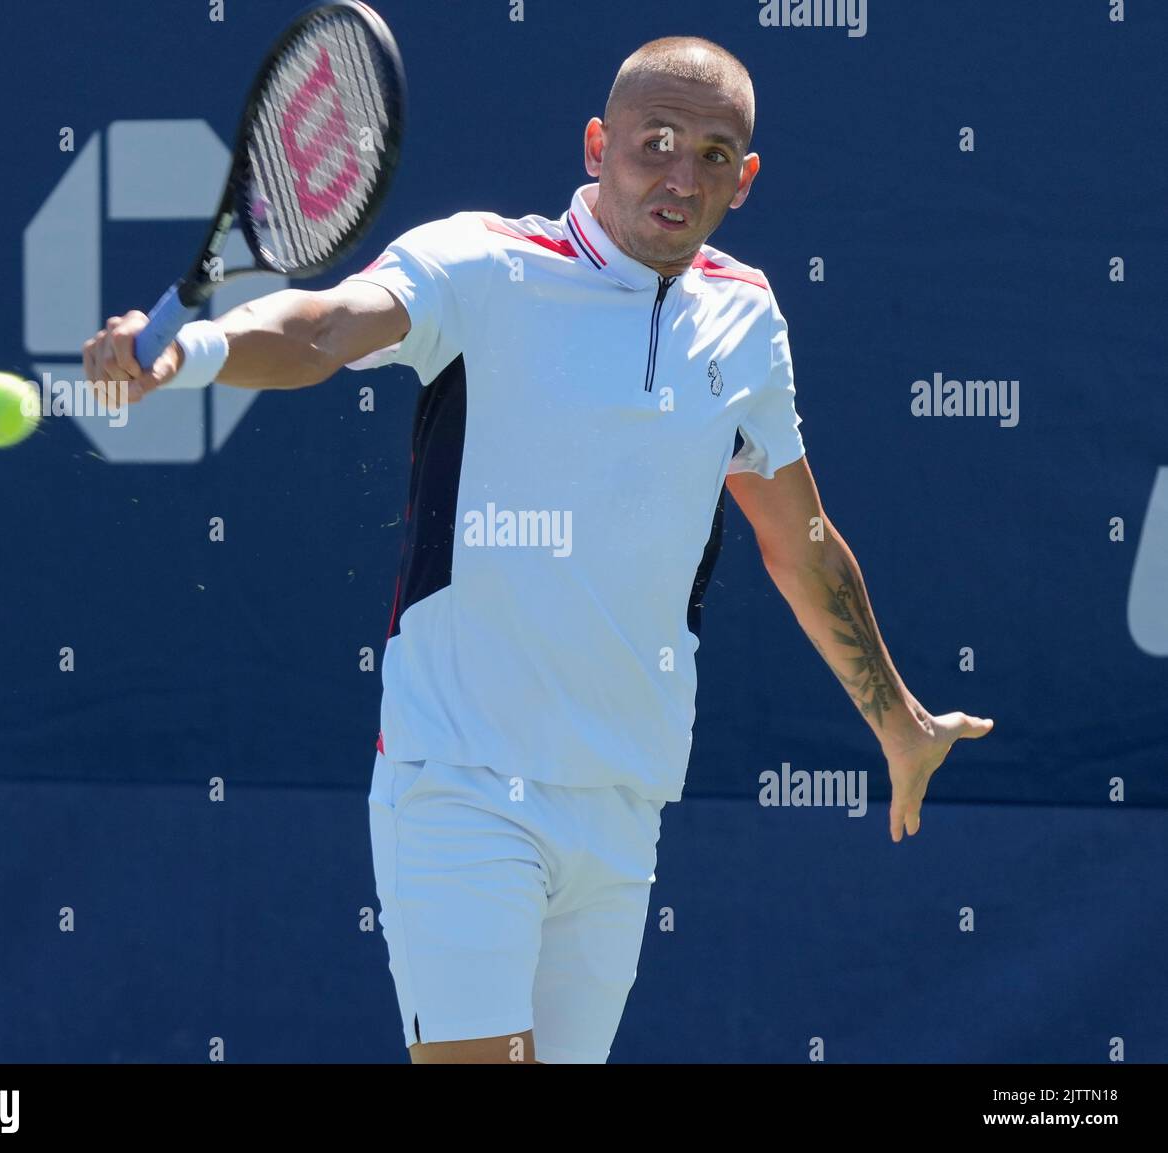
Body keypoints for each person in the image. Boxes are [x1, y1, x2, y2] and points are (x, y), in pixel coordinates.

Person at [82, 36, 993, 1065]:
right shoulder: (480, 264)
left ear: (744, 180)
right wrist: (193, 351)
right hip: (460, 781)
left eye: (710, 154)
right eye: (654, 143)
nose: (678, 176)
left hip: (622, 799)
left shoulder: (745, 318)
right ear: (598, 144)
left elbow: (801, 540)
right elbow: (326, 329)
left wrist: (900, 720)